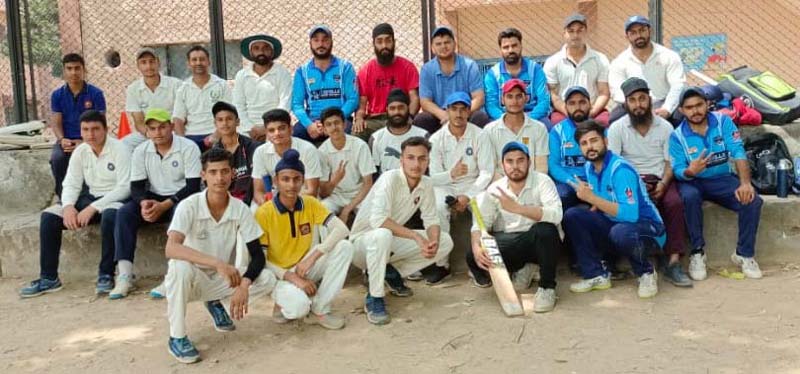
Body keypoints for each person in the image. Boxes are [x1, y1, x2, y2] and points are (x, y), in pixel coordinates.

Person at [164, 148, 278, 364]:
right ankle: (177, 337)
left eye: (225, 171)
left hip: (221, 279)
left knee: (267, 279)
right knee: (180, 267)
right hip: (192, 280)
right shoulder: (189, 205)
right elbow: (171, 248)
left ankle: (217, 304)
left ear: (232, 173)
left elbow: (258, 256)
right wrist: (217, 263)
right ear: (203, 175)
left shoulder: (240, 209)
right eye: (213, 172)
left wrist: (244, 285)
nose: (219, 178)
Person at [20, 110, 129, 298]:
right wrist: (68, 206)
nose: (90, 134)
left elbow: (125, 187)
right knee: (49, 217)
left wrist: (93, 208)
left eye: (95, 129)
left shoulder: (120, 149)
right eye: (85, 130)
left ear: (106, 129)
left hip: (114, 200)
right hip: (87, 199)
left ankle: (106, 274)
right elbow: (71, 182)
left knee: (111, 215)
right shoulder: (81, 150)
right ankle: (49, 278)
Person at [350, 137, 454, 325]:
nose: (416, 164)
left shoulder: (426, 184)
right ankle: (375, 298)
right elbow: (378, 220)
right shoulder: (389, 179)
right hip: (361, 246)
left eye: (422, 158)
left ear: (428, 161)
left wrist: (433, 241)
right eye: (411, 158)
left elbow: (431, 219)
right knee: (383, 234)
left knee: (445, 241)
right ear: (402, 160)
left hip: (388, 242)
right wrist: (415, 236)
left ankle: (390, 274)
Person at [669, 87, 763, 280]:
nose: (695, 111)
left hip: (721, 179)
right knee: (689, 197)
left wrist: (745, 183)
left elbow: (738, 152)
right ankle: (697, 252)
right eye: (689, 107)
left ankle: (744, 254)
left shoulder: (723, 122)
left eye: (699, 105)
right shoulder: (677, 136)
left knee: (752, 201)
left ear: (707, 104)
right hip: (693, 182)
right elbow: (677, 168)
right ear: (681, 110)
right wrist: (690, 171)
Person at [564, 120, 665, 299]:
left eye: (594, 140)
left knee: (621, 231)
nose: (590, 147)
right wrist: (593, 207)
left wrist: (591, 198)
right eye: (584, 144)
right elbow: (604, 197)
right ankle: (595, 275)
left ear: (605, 141)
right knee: (574, 215)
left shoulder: (620, 169)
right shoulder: (589, 167)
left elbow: (630, 215)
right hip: (614, 225)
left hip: (649, 228)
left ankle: (646, 273)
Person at [254, 149, 354, 329]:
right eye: (285, 179)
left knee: (344, 247)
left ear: (303, 181)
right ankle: (283, 303)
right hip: (279, 275)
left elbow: (341, 229)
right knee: (299, 308)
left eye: (296, 179)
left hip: (304, 266)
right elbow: (261, 259)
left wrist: (314, 256)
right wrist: (292, 278)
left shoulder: (309, 203)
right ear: (276, 181)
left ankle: (320, 309)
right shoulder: (264, 213)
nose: (291, 185)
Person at [607, 78, 691, 287]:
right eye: (632, 100)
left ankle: (673, 262)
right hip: (629, 181)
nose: (638, 105)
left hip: (660, 178)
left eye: (642, 99)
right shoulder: (617, 128)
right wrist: (632, 185)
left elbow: (669, 162)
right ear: (625, 104)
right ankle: (640, 260)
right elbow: (614, 163)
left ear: (650, 100)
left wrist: (663, 184)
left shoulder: (665, 127)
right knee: (629, 208)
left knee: (674, 203)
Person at [110, 108, 202, 300]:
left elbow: (193, 186)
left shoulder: (188, 147)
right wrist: (144, 203)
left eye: (162, 127)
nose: (158, 132)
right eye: (152, 128)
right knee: (124, 213)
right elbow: (136, 187)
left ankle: (172, 276)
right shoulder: (141, 151)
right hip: (154, 197)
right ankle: (125, 274)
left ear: (171, 127)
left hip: (182, 198)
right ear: (147, 131)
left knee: (181, 212)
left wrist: (165, 205)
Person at [469, 141, 562, 312]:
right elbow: (480, 225)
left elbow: (556, 215)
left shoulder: (543, 181)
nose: (515, 166)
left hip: (538, 241)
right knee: (473, 257)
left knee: (546, 230)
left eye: (520, 160)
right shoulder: (495, 189)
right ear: (502, 165)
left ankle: (547, 287)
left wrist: (519, 209)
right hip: (513, 241)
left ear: (529, 162)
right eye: (509, 161)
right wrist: (476, 246)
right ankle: (524, 268)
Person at [426, 91, 494, 284]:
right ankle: (442, 264)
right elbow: (434, 178)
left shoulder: (480, 136)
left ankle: (477, 265)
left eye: (463, 109)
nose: (458, 114)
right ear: (447, 111)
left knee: (483, 206)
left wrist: (467, 195)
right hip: (445, 186)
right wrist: (451, 174)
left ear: (469, 112)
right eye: (454, 109)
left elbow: (487, 172)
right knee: (438, 206)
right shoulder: (436, 139)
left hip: (474, 186)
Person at [49, 53, 107, 199]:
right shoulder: (57, 95)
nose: (73, 72)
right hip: (66, 140)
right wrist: (62, 139)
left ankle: (92, 195)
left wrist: (84, 141)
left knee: (93, 155)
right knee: (57, 158)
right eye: (69, 68)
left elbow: (101, 123)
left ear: (84, 70)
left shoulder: (96, 93)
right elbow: (56, 123)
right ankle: (63, 197)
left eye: (77, 68)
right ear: (64, 71)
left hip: (90, 139)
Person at [608, 15, 685, 124]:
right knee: (614, 120)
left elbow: (678, 85)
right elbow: (617, 92)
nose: (638, 35)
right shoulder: (619, 62)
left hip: (663, 102)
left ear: (650, 31)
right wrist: (636, 107)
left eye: (642, 30)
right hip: (633, 105)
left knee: (678, 117)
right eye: (633, 33)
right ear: (627, 36)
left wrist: (667, 109)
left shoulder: (669, 56)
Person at [291, 26, 359, 145]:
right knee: (295, 136)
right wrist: (309, 125)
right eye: (316, 40)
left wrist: (333, 122)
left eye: (325, 40)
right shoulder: (302, 71)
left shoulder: (345, 67)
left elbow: (353, 99)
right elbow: (296, 104)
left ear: (331, 42)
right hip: (313, 121)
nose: (320, 44)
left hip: (340, 118)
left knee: (347, 135)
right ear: (310, 43)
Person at [353, 23, 420, 142]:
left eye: (388, 41)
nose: (384, 45)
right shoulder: (365, 71)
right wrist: (358, 119)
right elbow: (362, 105)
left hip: (401, 115)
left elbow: (414, 98)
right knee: (357, 134)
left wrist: (409, 116)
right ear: (373, 44)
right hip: (375, 119)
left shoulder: (408, 67)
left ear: (394, 42)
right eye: (379, 41)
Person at [414, 26, 488, 133]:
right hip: (440, 116)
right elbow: (425, 102)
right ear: (432, 48)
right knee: (421, 120)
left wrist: (461, 113)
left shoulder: (469, 66)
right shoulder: (427, 69)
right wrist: (444, 115)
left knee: (480, 118)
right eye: (438, 44)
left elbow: (479, 98)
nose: (443, 46)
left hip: (465, 113)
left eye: (447, 42)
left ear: (454, 44)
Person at [544, 13, 610, 126]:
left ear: (586, 32)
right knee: (554, 123)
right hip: (564, 112)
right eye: (571, 31)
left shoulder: (600, 59)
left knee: (605, 121)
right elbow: (553, 94)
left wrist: (592, 112)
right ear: (564, 34)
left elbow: (604, 92)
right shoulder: (552, 62)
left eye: (580, 30)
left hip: (592, 111)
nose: (575, 35)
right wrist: (569, 112)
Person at [251, 109, 323, 206]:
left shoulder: (308, 149)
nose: (277, 133)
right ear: (266, 133)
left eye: (281, 128)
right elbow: (258, 191)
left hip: (303, 200)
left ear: (291, 129)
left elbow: (312, 191)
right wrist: (265, 203)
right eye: (271, 130)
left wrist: (281, 203)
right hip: (272, 202)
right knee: (254, 212)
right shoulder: (260, 152)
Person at [484, 28, 551, 128]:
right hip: (503, 117)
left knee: (548, 128)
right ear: (500, 50)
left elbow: (544, 101)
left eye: (514, 46)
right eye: (506, 47)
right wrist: (507, 120)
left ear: (521, 46)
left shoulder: (535, 69)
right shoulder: (492, 74)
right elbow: (491, 105)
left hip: (532, 115)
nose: (510, 50)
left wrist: (527, 120)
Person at [317, 107, 375, 222]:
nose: (334, 128)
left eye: (337, 123)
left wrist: (347, 210)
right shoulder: (322, 152)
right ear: (324, 129)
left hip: (359, 195)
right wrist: (334, 181)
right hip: (336, 196)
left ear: (344, 124)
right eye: (329, 125)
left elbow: (368, 183)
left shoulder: (360, 146)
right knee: (320, 211)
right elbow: (323, 193)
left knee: (372, 217)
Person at [233, 34, 292, 141]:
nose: (261, 52)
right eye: (256, 48)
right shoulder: (241, 75)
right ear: (251, 52)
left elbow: (285, 103)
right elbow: (238, 105)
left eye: (265, 48)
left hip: (275, 127)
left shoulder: (282, 73)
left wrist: (267, 128)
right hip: (248, 129)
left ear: (272, 52)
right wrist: (250, 128)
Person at [173, 45, 233, 151]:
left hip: (218, 134)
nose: (198, 63)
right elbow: (178, 119)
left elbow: (229, 113)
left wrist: (216, 136)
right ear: (188, 64)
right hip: (191, 136)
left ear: (209, 62)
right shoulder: (183, 88)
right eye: (194, 60)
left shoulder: (221, 85)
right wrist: (182, 143)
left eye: (202, 59)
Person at [484, 79, 549, 176]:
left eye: (519, 96)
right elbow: (490, 169)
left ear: (526, 98)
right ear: (502, 99)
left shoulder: (539, 128)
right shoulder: (489, 130)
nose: (514, 101)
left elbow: (541, 167)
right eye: (510, 97)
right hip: (500, 186)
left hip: (532, 185)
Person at [123, 47, 184, 149]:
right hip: (148, 133)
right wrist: (150, 134)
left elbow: (181, 115)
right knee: (123, 146)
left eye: (152, 61)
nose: (148, 66)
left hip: (172, 131)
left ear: (158, 63)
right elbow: (138, 122)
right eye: (144, 62)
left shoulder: (176, 84)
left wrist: (166, 132)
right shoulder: (133, 89)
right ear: (138, 66)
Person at [210, 102, 261, 206]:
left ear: (237, 122)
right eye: (220, 120)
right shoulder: (214, 152)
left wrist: (244, 204)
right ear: (215, 124)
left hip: (251, 200)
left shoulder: (253, 147)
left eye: (229, 119)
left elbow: (257, 181)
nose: (224, 123)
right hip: (225, 201)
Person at [369, 89, 429, 174]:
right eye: (392, 108)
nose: (397, 112)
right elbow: (374, 174)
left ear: (408, 108)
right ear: (387, 110)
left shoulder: (423, 136)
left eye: (401, 108)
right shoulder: (376, 138)